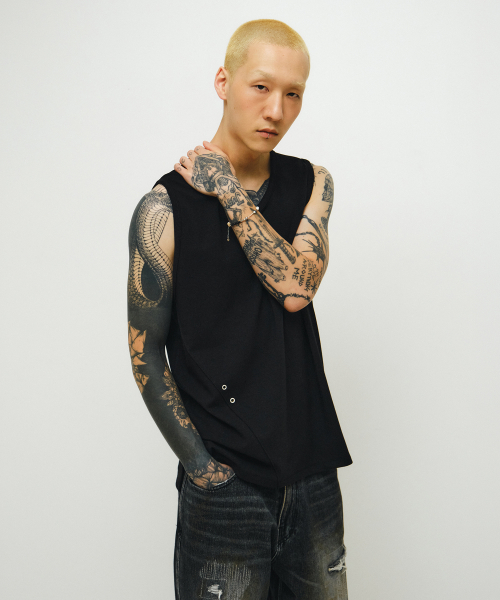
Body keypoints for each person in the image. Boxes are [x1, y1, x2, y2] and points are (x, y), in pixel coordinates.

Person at [127, 18, 353, 599]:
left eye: (293, 94)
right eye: (261, 87)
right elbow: (146, 352)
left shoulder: (313, 183)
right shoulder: (163, 208)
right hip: (225, 488)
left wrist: (227, 190)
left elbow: (297, 288)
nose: (276, 110)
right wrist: (203, 470)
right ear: (223, 82)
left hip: (313, 474)